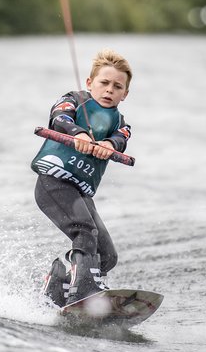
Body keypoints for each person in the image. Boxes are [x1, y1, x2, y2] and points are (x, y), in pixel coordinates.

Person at [31, 48, 132, 307]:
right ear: (90, 83)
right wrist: (79, 134)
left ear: (125, 94)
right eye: (104, 83)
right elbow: (59, 117)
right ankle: (83, 289)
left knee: (107, 256)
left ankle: (60, 284)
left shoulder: (121, 124)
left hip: (79, 192)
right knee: (85, 231)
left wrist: (109, 144)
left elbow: (121, 140)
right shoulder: (73, 100)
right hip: (53, 183)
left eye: (117, 86)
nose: (109, 89)